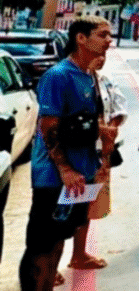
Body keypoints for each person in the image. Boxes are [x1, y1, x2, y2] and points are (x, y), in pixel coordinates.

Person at [19, 16, 113, 291]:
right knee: (42, 245)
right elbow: (49, 126)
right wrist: (65, 169)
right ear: (81, 38)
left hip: (80, 174)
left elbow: (85, 121)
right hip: (54, 177)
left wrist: (101, 154)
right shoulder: (58, 76)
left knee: (60, 239)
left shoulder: (88, 75)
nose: (109, 40)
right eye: (103, 34)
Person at [65, 53, 128, 275]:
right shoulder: (65, 79)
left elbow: (120, 105)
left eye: (103, 55)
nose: (100, 58)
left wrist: (111, 127)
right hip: (73, 154)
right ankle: (50, 264)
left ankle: (79, 254)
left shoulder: (105, 78)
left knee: (88, 205)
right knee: (63, 208)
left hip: (101, 152)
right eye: (96, 54)